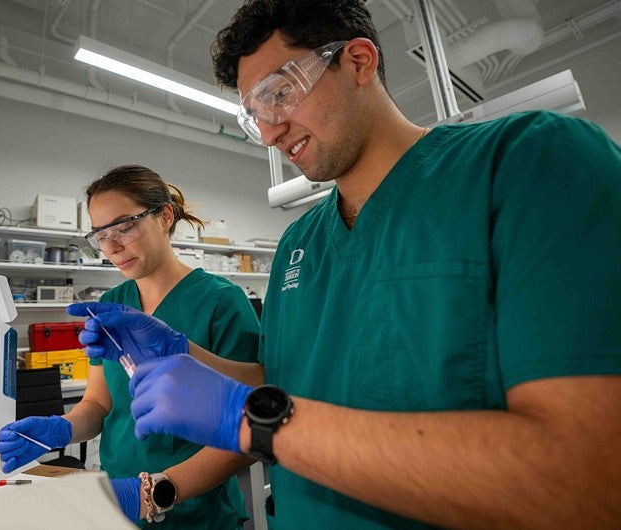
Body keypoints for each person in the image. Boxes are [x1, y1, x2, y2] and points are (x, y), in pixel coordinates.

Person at [67, 1, 621, 529]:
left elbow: (591, 477)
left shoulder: (528, 165)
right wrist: (185, 354)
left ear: (358, 60)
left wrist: (249, 422)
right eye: (254, 113)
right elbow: (288, 382)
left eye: (279, 92)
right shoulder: (299, 244)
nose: (269, 130)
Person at [0, 165, 260, 529]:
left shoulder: (221, 301)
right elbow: (99, 404)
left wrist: (149, 492)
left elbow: (253, 424)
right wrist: (62, 428)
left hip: (196, 511)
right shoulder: (113, 302)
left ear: (165, 216)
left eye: (124, 227)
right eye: (100, 235)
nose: (112, 247)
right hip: (115, 501)